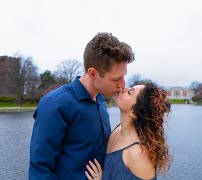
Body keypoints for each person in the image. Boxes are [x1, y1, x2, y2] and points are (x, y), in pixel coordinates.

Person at [29, 32, 135, 179]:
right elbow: (40, 170)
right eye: (116, 79)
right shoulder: (55, 104)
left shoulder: (100, 100)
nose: (122, 85)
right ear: (92, 73)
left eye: (123, 76)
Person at [85, 83, 173, 180]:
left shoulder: (138, 154)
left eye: (130, 92)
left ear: (134, 113)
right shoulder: (117, 129)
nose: (123, 88)